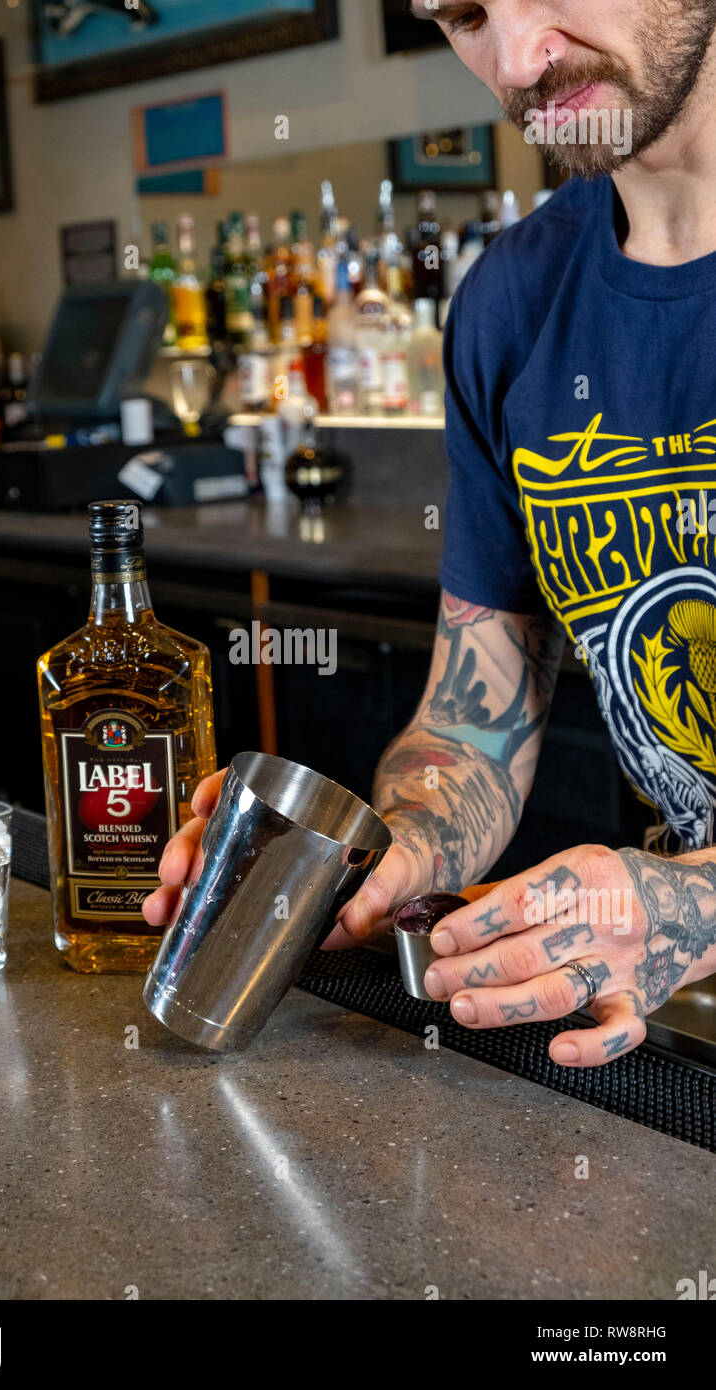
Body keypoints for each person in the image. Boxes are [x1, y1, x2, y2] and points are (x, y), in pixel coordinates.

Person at [144, 0, 716, 1068]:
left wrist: (692, 903)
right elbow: (471, 724)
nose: (514, 60)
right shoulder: (512, 301)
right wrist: (380, 854)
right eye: (460, 16)